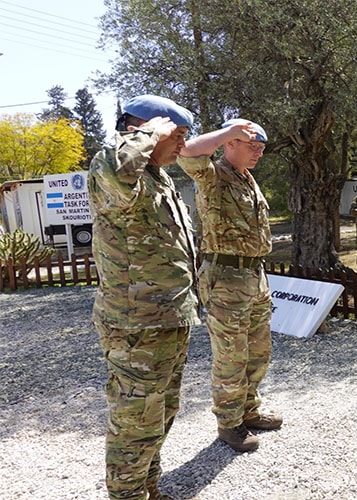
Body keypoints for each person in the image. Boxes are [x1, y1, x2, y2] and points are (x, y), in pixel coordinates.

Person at [88, 95, 200, 500]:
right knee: (136, 421)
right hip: (135, 324)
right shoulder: (110, 163)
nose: (183, 146)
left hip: (168, 318)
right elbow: (120, 167)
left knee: (161, 415)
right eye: (179, 135)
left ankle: (147, 489)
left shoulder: (158, 176)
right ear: (148, 129)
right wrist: (154, 130)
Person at [177, 118, 281, 453]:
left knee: (258, 351)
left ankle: (249, 411)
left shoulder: (248, 179)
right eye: (251, 146)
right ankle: (229, 424)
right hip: (225, 277)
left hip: (254, 276)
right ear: (230, 144)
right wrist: (228, 131)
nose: (258, 153)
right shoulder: (214, 175)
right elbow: (188, 153)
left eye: (262, 149)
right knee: (231, 356)